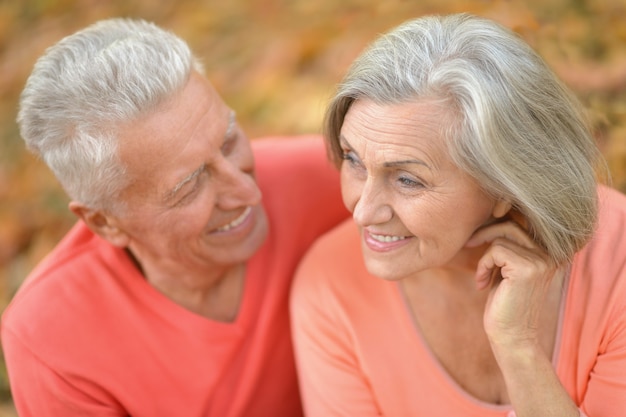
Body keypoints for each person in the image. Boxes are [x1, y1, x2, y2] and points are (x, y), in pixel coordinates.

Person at [1, 18, 349, 417]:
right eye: (190, 186)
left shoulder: (326, 178)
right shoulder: (50, 341)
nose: (249, 192)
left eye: (229, 141)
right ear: (104, 223)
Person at [290, 13, 626, 417]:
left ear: (505, 187)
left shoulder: (616, 264)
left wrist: (517, 347)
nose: (362, 212)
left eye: (408, 180)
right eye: (354, 159)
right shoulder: (331, 285)